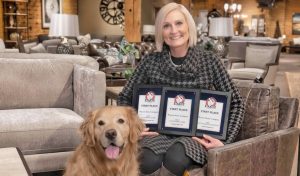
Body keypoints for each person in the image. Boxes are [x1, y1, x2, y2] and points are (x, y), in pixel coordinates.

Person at [117, 2, 245, 176]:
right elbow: (124, 97)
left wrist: (225, 142)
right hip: (157, 134)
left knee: (176, 159)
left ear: (189, 26)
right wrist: (132, 128)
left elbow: (236, 102)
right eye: (166, 26)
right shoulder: (150, 62)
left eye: (178, 23)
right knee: (146, 161)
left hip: (194, 138)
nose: (173, 30)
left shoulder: (209, 61)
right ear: (160, 31)